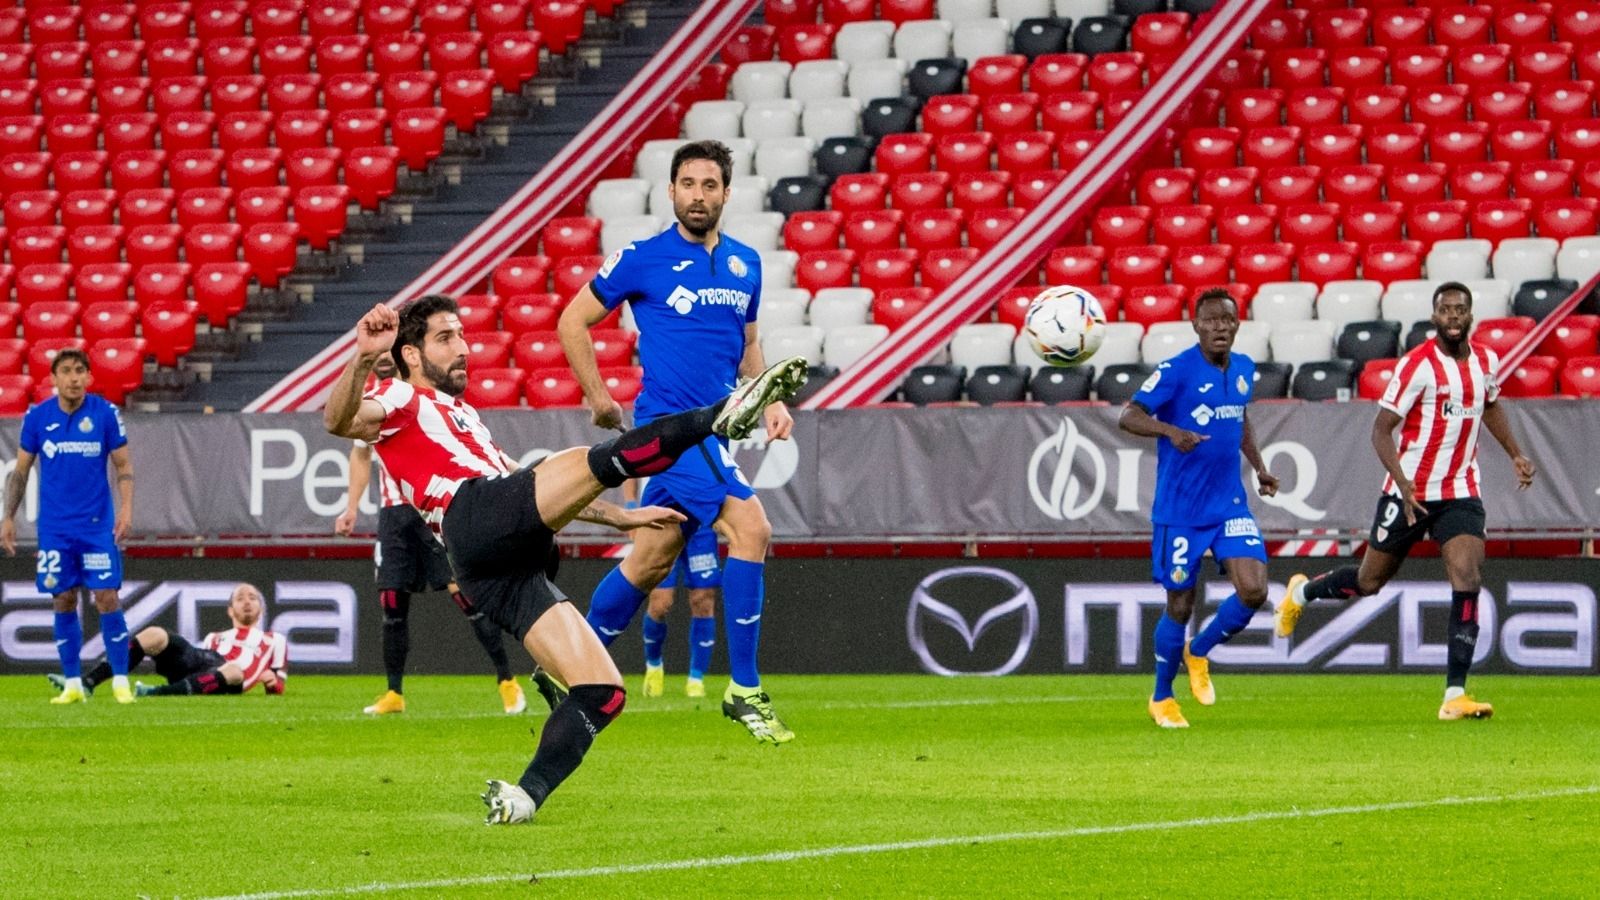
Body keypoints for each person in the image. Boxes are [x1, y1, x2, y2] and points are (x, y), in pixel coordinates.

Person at [324, 294, 804, 824]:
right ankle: (721, 415)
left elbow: (533, 483)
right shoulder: (396, 396)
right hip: (473, 514)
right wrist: (364, 356)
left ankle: (524, 797)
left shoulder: (463, 415)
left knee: (603, 692)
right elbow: (340, 421)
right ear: (411, 355)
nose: (462, 348)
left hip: (494, 565)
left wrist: (620, 518)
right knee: (585, 461)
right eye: (445, 338)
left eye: (461, 335)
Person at [558, 138, 797, 744]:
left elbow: (748, 346)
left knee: (651, 557)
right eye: (687, 184)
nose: (697, 195)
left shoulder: (746, 263)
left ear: (725, 194)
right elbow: (572, 320)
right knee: (752, 528)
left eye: (709, 185)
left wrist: (771, 400)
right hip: (671, 429)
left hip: (716, 433)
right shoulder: (642, 258)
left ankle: (566, 667)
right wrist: (597, 395)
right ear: (670, 191)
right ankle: (744, 689)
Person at [1277, 282, 1537, 721]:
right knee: (1368, 582)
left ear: (1470, 316)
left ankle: (1455, 694)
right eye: (1445, 310)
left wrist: (1515, 453)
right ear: (1434, 317)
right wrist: (1403, 484)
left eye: (1460, 309)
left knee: (1467, 576)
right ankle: (1301, 592)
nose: (1453, 316)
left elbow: (1490, 405)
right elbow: (1381, 429)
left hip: (1460, 490)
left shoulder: (1486, 361)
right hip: (1409, 491)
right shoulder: (1417, 365)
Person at [1119, 288, 1279, 729]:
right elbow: (1128, 415)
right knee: (1180, 605)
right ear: (1196, 326)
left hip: (1229, 504)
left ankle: (1199, 650)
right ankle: (1162, 697)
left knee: (1254, 591)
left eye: (1226, 320)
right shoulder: (1176, 370)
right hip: (1181, 511)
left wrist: (1260, 467)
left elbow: (1240, 419)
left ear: (1237, 324)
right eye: (1210, 321)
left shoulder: (1243, 368)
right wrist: (1171, 432)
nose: (1219, 328)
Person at [335, 353, 527, 717]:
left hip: (431, 508)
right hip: (394, 515)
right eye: (375, 355)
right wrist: (351, 506)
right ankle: (394, 693)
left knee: (465, 595)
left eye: (387, 352)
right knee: (392, 601)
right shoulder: (370, 402)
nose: (382, 360)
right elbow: (360, 454)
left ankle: (506, 679)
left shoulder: (416, 396)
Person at [2, 349, 136, 705]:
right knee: (63, 598)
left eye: (80, 370)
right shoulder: (37, 417)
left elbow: (123, 466)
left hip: (96, 527)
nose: (74, 377)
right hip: (55, 529)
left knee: (107, 596)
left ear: (89, 377)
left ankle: (121, 681)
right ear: (53, 378)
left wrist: (126, 510)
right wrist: (8, 517)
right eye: (66, 371)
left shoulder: (105, 413)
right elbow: (20, 472)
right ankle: (73, 683)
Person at [53, 583, 288, 697]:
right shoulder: (215, 638)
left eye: (252, 598)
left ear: (261, 609)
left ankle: (156, 692)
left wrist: (271, 684)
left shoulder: (274, 640)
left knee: (234, 670)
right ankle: (88, 682)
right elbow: (203, 667)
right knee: (155, 633)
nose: (247, 602)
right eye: (240, 598)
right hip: (204, 662)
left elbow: (279, 686)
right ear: (230, 609)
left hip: (232, 677)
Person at [642, 521, 721, 699]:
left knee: (703, 600)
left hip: (700, 526)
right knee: (660, 603)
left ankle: (696, 679)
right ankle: (654, 665)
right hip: (664, 526)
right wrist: (635, 513)